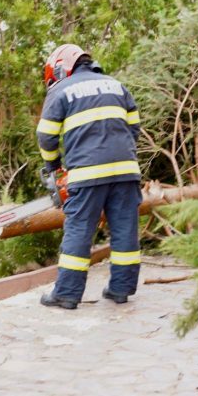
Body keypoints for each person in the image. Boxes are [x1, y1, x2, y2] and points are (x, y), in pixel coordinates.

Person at [37, 43, 142, 310]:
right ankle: (121, 289)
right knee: (124, 229)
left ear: (61, 68)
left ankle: (67, 294)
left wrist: (54, 168)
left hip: (86, 172)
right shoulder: (117, 86)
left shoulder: (61, 90)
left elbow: (46, 135)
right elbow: (134, 128)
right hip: (126, 170)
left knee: (79, 229)